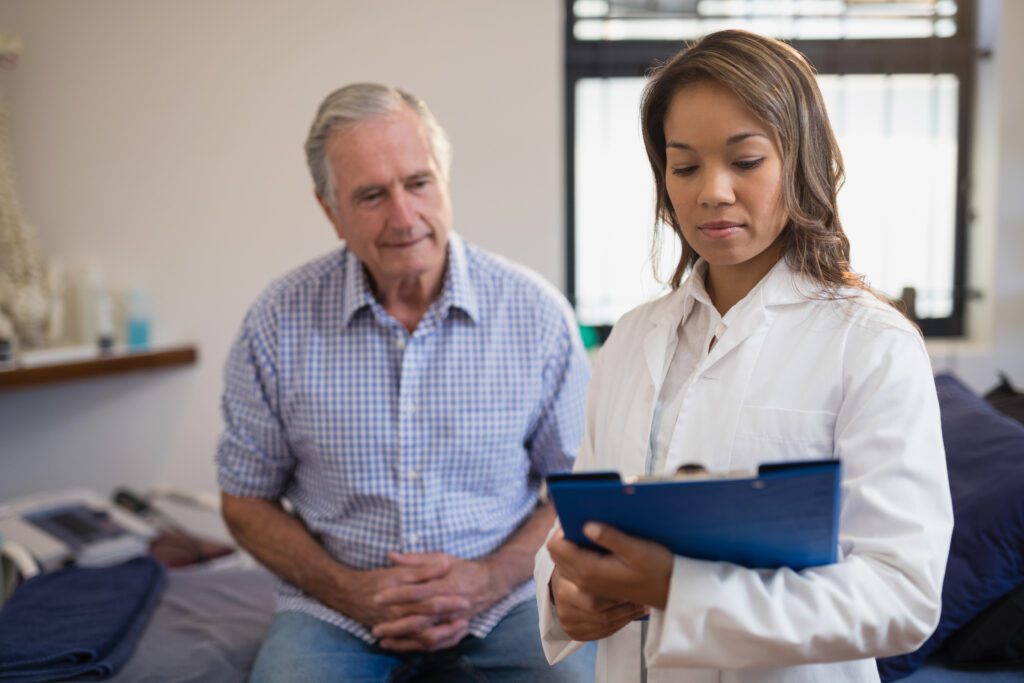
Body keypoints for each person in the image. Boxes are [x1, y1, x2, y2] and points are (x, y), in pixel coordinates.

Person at [535, 29, 953, 683]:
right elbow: (583, 517)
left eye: (746, 160)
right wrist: (565, 592)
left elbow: (902, 591)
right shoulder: (632, 338)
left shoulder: (872, 343)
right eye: (685, 165)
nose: (714, 191)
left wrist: (685, 590)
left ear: (800, 159)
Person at [215, 83, 594, 682]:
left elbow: (579, 489)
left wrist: (488, 579)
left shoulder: (536, 314)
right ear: (330, 210)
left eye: (418, 183)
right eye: (371, 195)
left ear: (444, 179)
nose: (403, 216)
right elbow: (244, 499)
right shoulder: (277, 321)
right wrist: (348, 590)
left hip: (506, 602)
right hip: (335, 612)